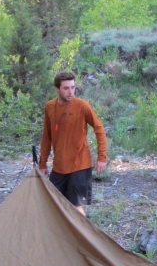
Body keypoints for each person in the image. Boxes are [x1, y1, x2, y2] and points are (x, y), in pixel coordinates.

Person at [40, 71, 108, 216]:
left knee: (75, 206)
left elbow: (99, 129)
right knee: (54, 204)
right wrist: (43, 163)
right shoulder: (50, 107)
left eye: (73, 87)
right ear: (57, 89)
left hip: (80, 165)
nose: (70, 91)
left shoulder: (82, 106)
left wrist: (102, 157)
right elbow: (47, 136)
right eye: (66, 88)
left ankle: (83, 237)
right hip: (59, 166)